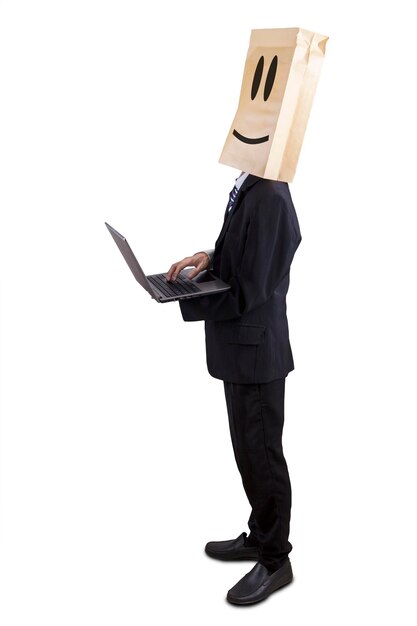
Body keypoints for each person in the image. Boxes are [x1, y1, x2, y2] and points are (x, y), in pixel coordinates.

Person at [166, 169, 302, 605]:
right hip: (242, 349)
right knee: (247, 451)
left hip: (257, 352)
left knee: (262, 456)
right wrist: (208, 257)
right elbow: (242, 255)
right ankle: (260, 533)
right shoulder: (252, 184)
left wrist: (185, 295)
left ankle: (275, 559)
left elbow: (250, 289)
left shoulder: (272, 196)